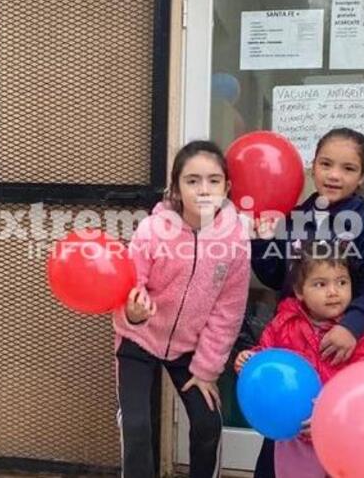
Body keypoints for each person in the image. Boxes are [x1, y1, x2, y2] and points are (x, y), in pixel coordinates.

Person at [250, 128, 364, 477]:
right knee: (281, 449)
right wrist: (261, 242)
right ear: (312, 165)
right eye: (326, 164)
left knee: (335, 448)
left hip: (342, 351)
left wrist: (351, 326)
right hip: (295, 345)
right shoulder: (294, 217)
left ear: (361, 176)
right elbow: (277, 278)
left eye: (347, 168)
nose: (334, 175)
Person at [114, 140, 251, 478]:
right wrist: (133, 311)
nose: (203, 189)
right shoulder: (152, 230)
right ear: (175, 188)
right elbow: (130, 286)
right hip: (140, 340)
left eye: (213, 180)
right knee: (136, 428)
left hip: (190, 348)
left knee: (208, 425)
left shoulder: (235, 240)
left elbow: (228, 312)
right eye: (192, 180)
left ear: (227, 187)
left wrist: (206, 369)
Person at [235, 240, 364, 478]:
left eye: (342, 282)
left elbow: (363, 389)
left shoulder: (361, 337)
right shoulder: (284, 322)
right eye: (320, 284)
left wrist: (329, 419)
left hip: (340, 436)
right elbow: (268, 359)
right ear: (300, 291)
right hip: (290, 437)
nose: (333, 292)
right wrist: (250, 359)